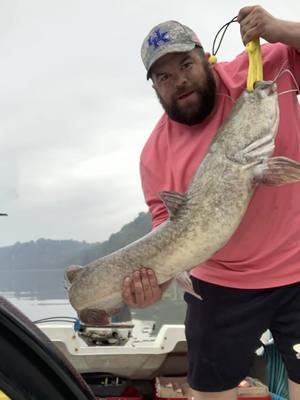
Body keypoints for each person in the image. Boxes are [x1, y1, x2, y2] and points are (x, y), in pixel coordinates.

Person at [122, 5, 300, 400]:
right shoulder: (154, 155)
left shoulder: (265, 68)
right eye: (163, 76)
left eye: (186, 63)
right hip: (219, 286)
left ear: (206, 58)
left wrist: (279, 29)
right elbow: (167, 235)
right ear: (154, 88)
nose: (179, 80)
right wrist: (155, 284)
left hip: (297, 268)